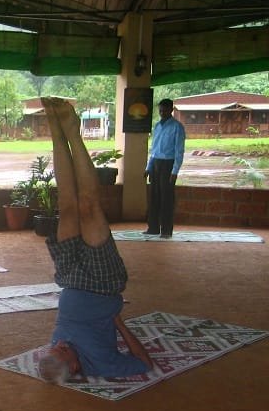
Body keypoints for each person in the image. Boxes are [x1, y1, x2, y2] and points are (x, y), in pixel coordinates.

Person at [37, 97, 153, 382]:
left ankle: (55, 128)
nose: (59, 344)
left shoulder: (56, 353)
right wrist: (119, 323)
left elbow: (56, 352)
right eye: (62, 351)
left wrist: (56, 352)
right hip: (103, 284)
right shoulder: (101, 364)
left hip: (69, 277)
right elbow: (144, 363)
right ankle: (72, 130)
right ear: (75, 367)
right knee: (89, 206)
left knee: (66, 204)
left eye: (54, 347)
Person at [144, 99, 185, 238]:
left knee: (166, 199)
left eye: (165, 110)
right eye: (160, 110)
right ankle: (153, 228)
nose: (162, 113)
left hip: (168, 164)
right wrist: (148, 167)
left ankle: (166, 230)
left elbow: (179, 151)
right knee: (154, 197)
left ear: (171, 110)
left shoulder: (177, 127)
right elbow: (153, 149)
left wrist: (175, 171)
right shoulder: (157, 126)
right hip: (156, 163)